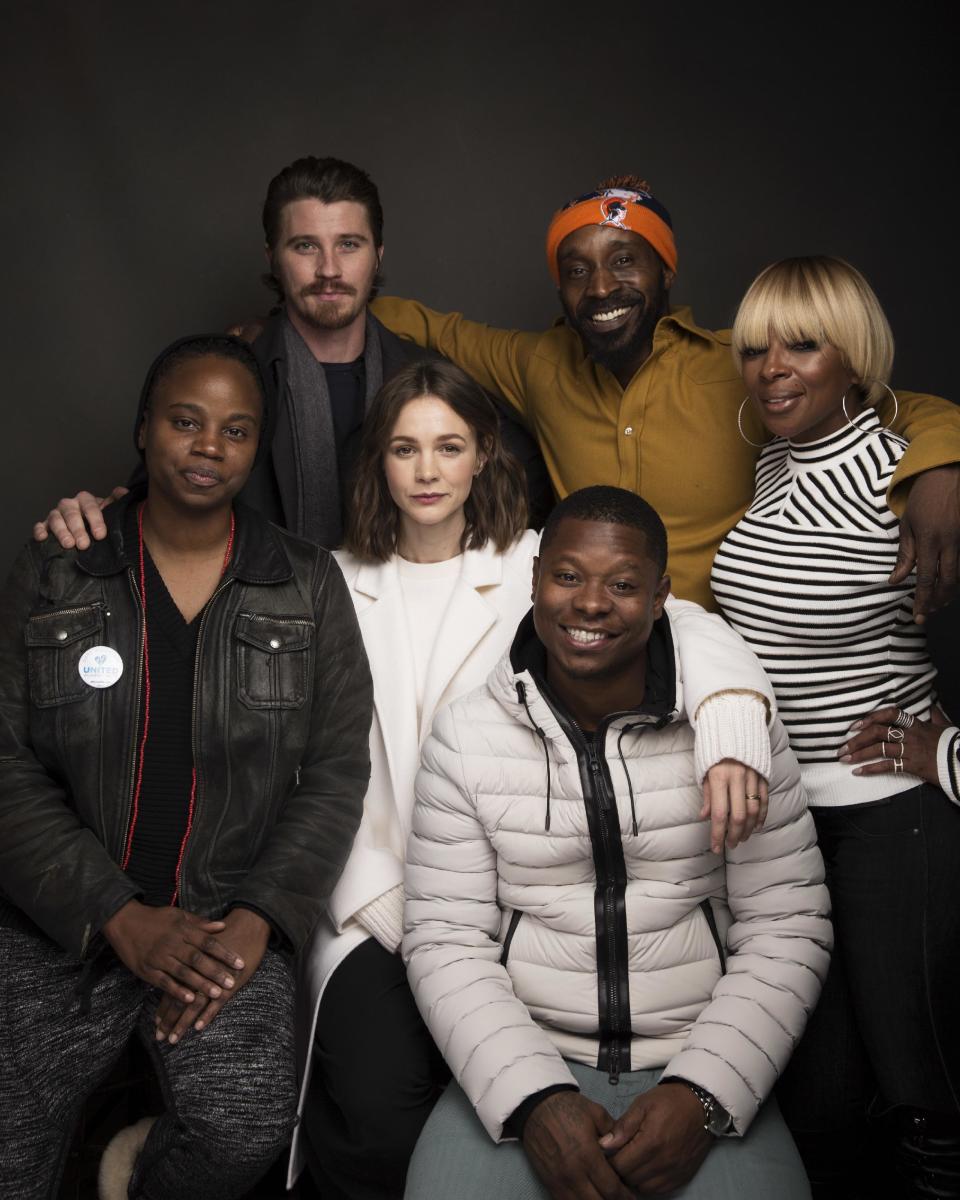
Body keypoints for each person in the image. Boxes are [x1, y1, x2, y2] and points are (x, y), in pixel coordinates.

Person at [295, 365, 786, 1200]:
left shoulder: (535, 559)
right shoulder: (327, 581)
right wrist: (372, 885)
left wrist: (737, 708)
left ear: (483, 455)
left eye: (448, 447)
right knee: (381, 1114)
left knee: (502, 1086)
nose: (425, 471)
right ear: (376, 459)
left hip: (520, 895)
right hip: (373, 896)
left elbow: (675, 615)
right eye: (405, 448)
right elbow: (298, 756)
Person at [0, 334, 372, 1199]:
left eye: (237, 430)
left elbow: (334, 772)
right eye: (186, 421)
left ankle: (127, 1176)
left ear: (257, 448)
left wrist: (256, 922)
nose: (210, 447)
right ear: (142, 429)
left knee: (243, 1128)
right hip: (57, 927)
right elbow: (6, 765)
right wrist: (118, 916)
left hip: (220, 927)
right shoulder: (59, 570)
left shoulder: (306, 584)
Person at [401, 485, 832, 1200]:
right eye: (568, 576)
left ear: (662, 595)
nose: (591, 604)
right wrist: (536, 1100)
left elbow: (787, 923)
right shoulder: (466, 736)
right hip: (525, 1056)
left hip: (702, 1055)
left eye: (623, 585)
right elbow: (444, 938)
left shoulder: (736, 735)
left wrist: (702, 1093)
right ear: (536, 577)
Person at [369, 175, 960, 615]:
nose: (601, 287)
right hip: (595, 649)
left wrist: (941, 474)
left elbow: (900, 406)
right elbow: (427, 325)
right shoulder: (539, 363)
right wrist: (295, 320)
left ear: (667, 274)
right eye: (577, 271)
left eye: (625, 261)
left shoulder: (745, 364)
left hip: (734, 649)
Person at [711, 256, 960, 1199]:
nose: (772, 367)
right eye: (753, 348)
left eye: (802, 344)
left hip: (892, 815)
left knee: (925, 1095)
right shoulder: (776, 458)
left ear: (853, 359)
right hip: (786, 821)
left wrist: (949, 754)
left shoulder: (918, 479)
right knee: (820, 1104)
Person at [36, 155, 551, 553]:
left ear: (378, 257)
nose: (329, 268)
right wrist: (93, 514)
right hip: (253, 642)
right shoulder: (230, 378)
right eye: (305, 246)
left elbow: (519, 475)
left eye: (349, 244)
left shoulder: (428, 380)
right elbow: (155, 501)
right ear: (273, 259)